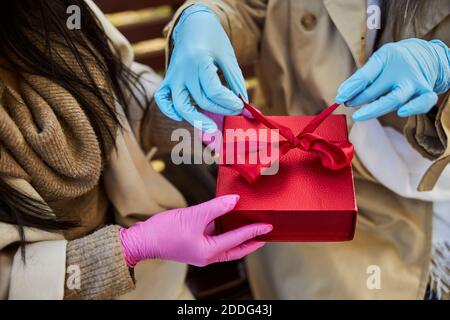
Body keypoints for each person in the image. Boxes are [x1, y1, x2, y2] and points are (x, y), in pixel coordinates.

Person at [156, 0, 450, 299]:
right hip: (300, 200)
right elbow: (243, 7)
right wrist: (202, 18)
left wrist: (444, 65)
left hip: (437, 201)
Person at [0, 0, 273, 300]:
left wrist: (187, 117)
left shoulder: (60, 12)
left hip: (157, 285)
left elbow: (118, 87)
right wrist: (130, 248)